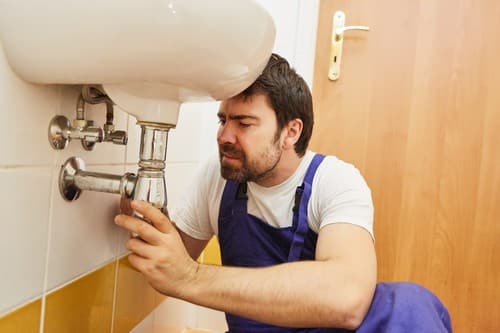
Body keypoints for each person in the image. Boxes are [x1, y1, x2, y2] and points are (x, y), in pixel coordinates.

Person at [115, 54, 452, 332]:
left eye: (244, 124)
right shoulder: (219, 176)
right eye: (223, 120)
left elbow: (347, 297)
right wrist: (143, 215)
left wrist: (191, 278)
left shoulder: (336, 181)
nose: (224, 136)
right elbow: (173, 260)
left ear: (291, 131)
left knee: (411, 304)